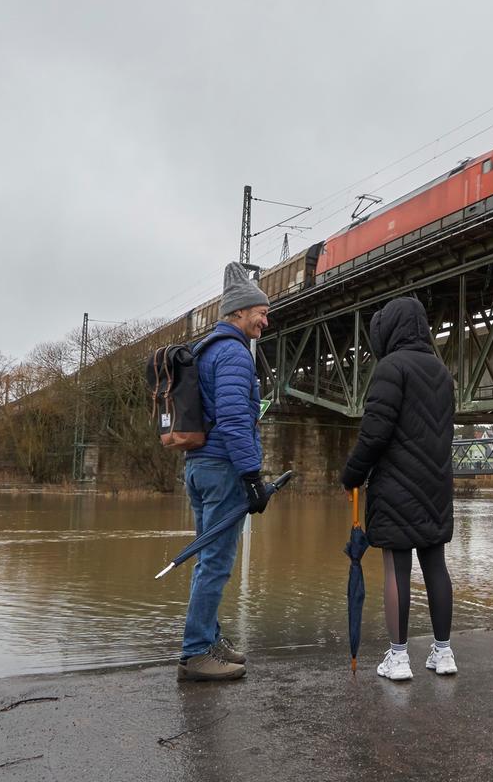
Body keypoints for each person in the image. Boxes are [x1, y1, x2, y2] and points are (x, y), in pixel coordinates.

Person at [341, 296, 457, 680]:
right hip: (435, 487)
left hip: (395, 487)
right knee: (436, 566)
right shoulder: (442, 373)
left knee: (397, 569)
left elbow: (374, 433)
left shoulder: (391, 368)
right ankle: (443, 653)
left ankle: (399, 657)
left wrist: (352, 474)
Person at [178, 262, 271, 681]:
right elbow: (235, 421)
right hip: (222, 469)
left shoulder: (208, 350)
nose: (265, 321)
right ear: (238, 311)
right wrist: (253, 478)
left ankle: (209, 639)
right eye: (260, 312)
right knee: (215, 562)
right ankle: (195, 653)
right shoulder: (233, 353)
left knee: (207, 559)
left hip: (199, 466)